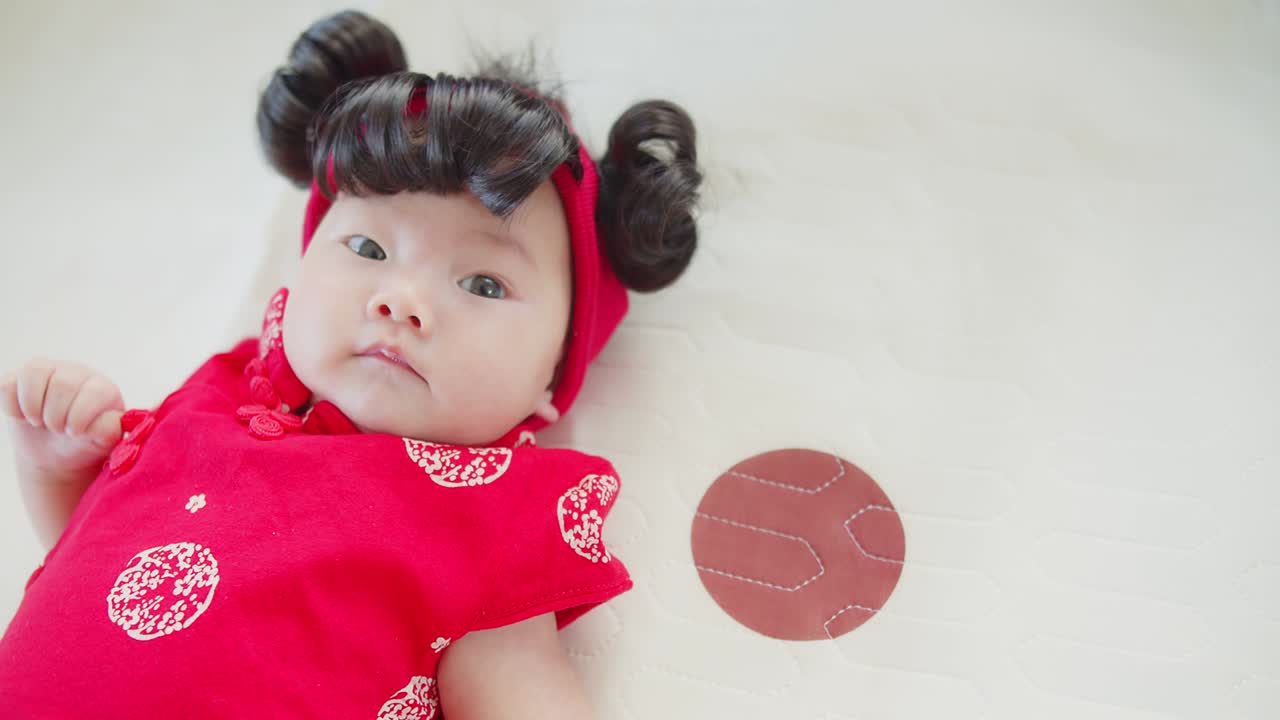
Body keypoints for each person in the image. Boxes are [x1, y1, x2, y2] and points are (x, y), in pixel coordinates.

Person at [0, 10, 701, 718]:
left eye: (483, 284)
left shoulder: (484, 523)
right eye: (368, 249)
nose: (402, 301)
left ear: (552, 377)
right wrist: (55, 467)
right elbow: (106, 580)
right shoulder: (216, 395)